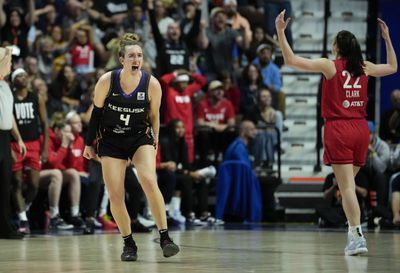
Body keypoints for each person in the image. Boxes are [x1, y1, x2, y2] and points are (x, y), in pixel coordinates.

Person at [276, 10, 397, 255]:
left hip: (339, 128)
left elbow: (291, 60)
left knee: (348, 188)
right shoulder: (364, 67)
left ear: (336, 47)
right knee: (347, 187)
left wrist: (280, 31)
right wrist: (387, 39)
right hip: (361, 129)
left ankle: (357, 235)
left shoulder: (329, 65)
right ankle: (353, 233)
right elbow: (394, 67)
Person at [83, 33, 179, 261]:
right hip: (111, 140)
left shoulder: (152, 84)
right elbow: (96, 114)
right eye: (131, 56)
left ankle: (165, 237)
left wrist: (154, 141)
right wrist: (89, 144)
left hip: (139, 138)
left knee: (148, 179)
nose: (136, 60)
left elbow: (154, 116)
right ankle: (128, 243)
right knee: (116, 194)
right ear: (121, 60)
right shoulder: (107, 81)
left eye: (140, 56)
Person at [0, 47, 26, 239]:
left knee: (5, 183)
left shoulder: (6, 86)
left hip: (5, 137)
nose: (11, 63)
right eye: (8, 61)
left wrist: (18, 138)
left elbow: (8, 114)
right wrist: (6, 52)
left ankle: (5, 225)